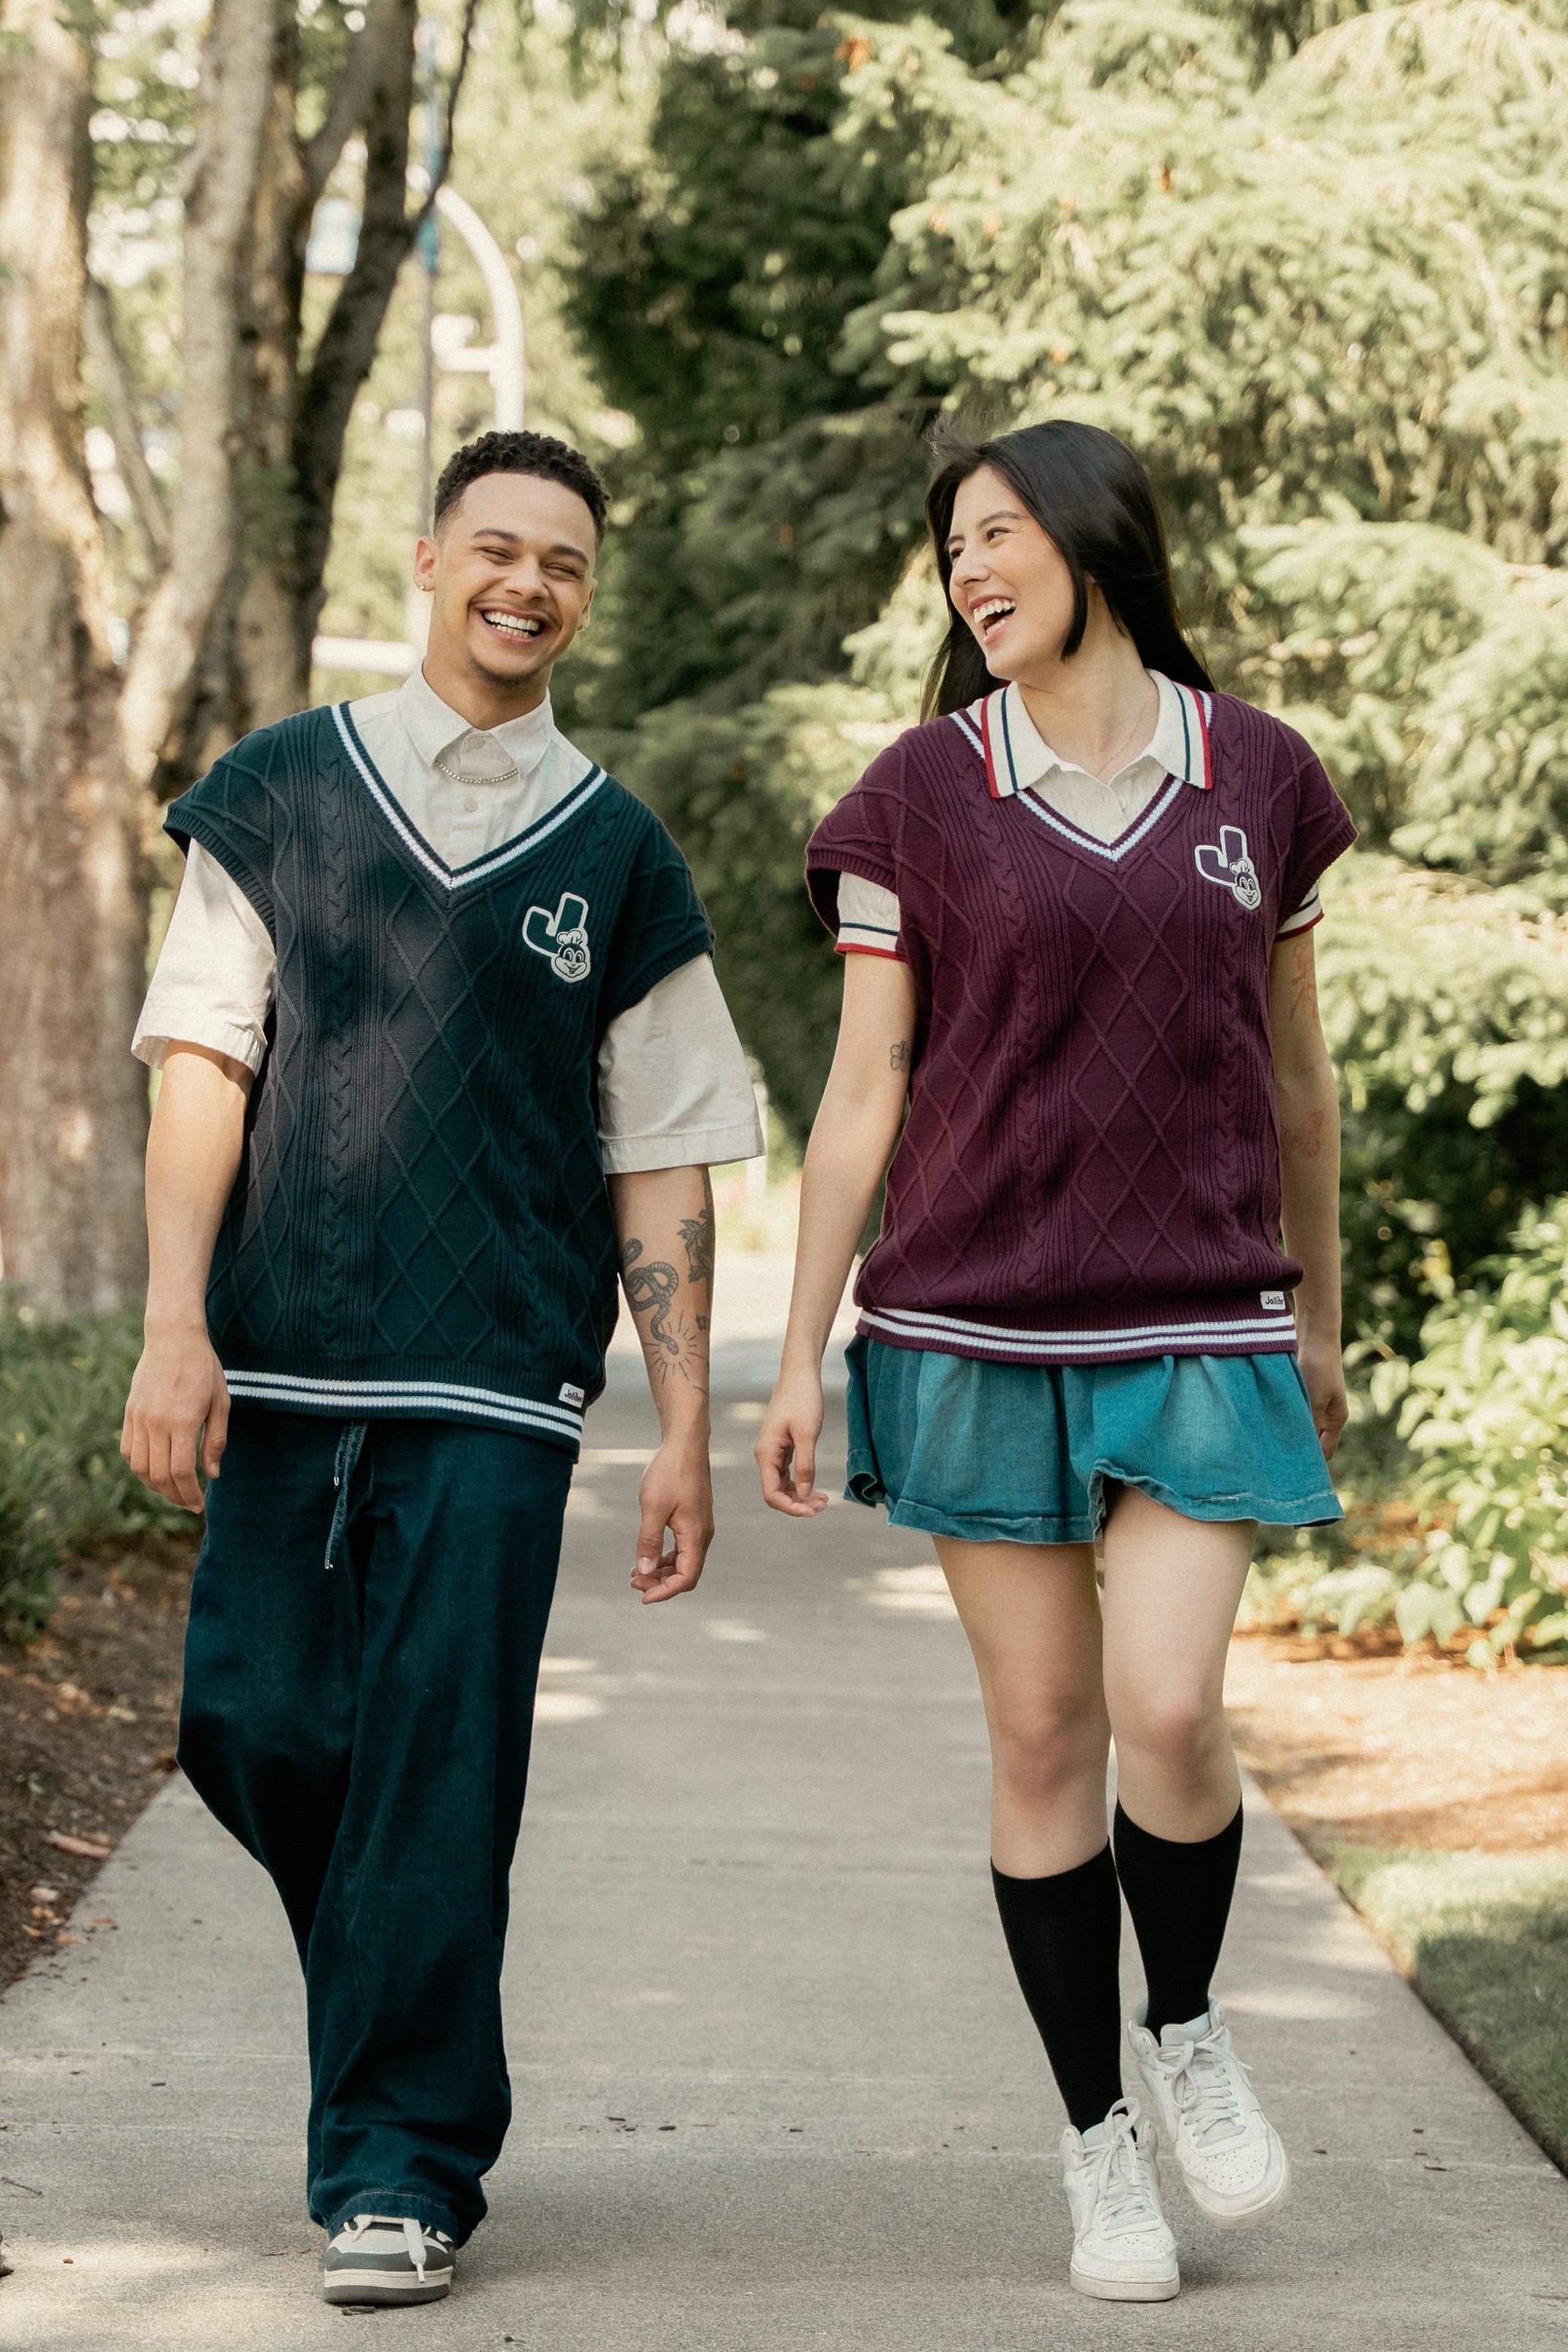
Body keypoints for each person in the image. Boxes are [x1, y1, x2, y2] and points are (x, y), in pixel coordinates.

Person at [121, 430, 762, 2310]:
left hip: (495, 1386)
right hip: (288, 1367)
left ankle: (399, 2168)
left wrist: (682, 1431)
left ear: (583, 594)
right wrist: (178, 1321)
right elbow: (199, 1066)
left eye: (563, 561)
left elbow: (663, 1146)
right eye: (499, 548)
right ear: (427, 562)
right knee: (251, 1723)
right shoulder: (280, 793)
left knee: (439, 1761)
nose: (530, 583)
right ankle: (406, 2013)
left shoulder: (620, 856)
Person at [756, 419, 1354, 2304]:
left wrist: (1320, 1314)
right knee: (1042, 1736)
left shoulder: (1259, 772)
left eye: (999, 536)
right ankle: (1098, 2140)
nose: (971, 576)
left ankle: (1184, 2018)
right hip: (970, 1321)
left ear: (1098, 539)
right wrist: (796, 1351)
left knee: (1167, 1713)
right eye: (953, 554)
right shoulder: (920, 795)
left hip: (1198, 1313)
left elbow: (1299, 1081)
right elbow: (865, 1091)